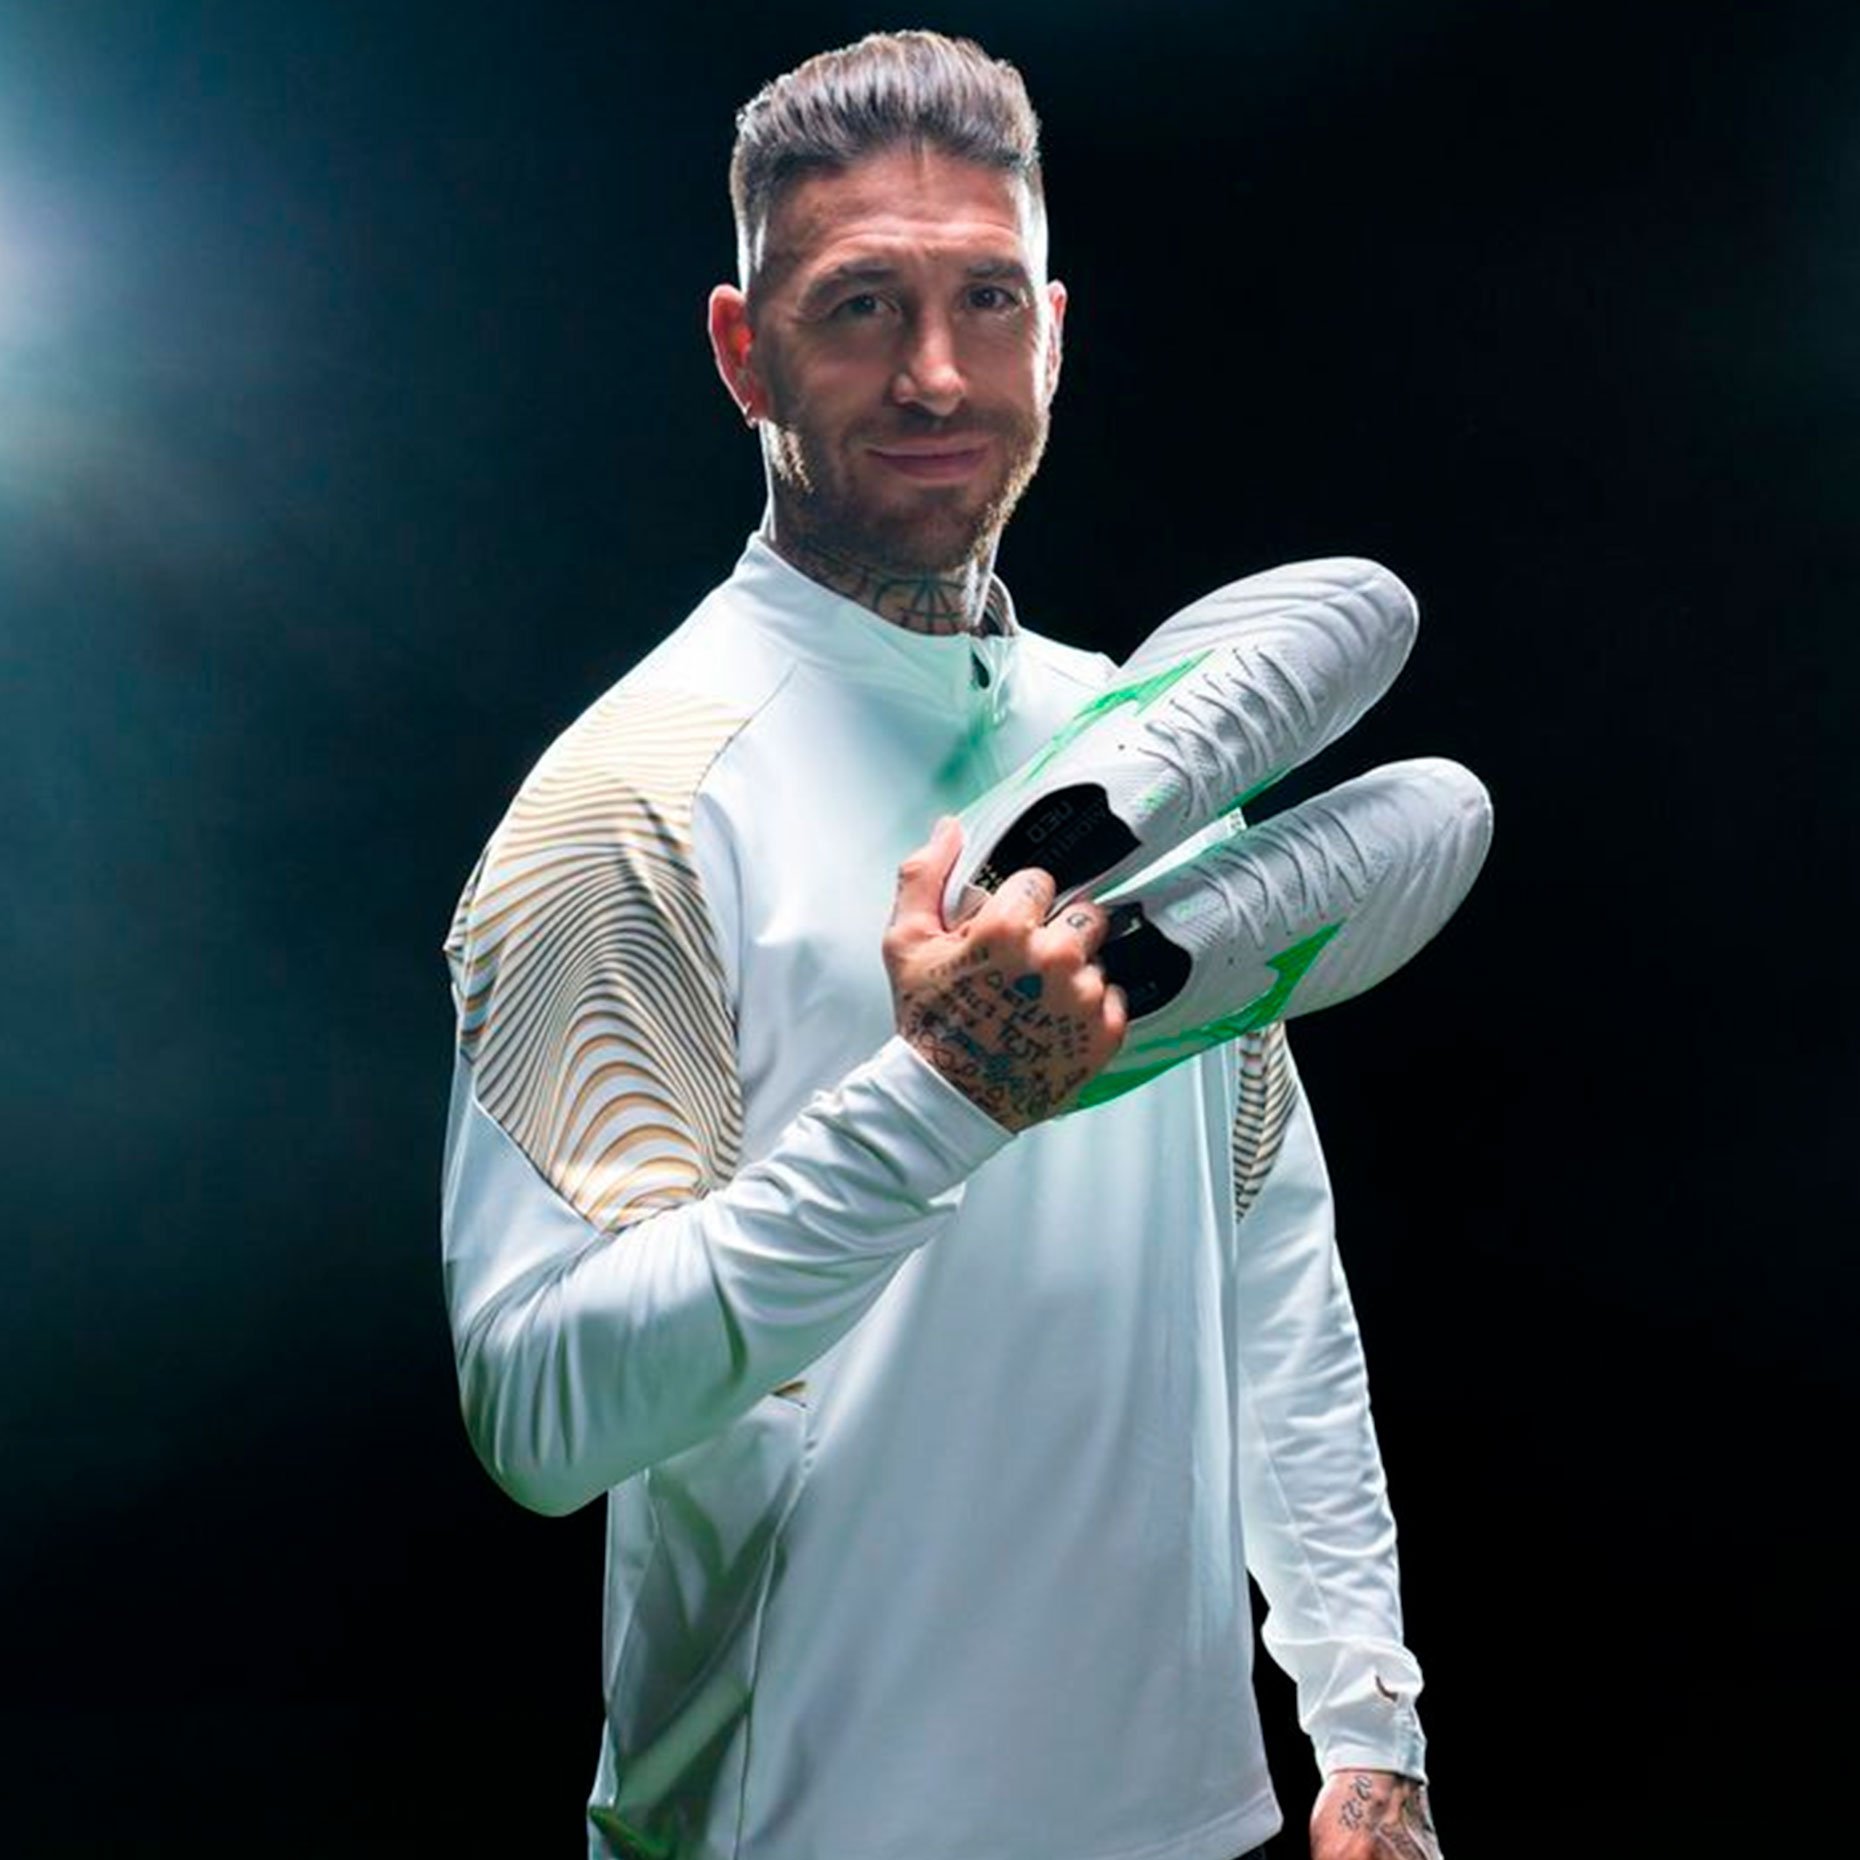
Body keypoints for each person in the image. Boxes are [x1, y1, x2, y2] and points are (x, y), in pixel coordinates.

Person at [441, 30, 1443, 1860]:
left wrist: (1368, 1730)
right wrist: (943, 1098)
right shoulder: (630, 803)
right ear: (744, 353)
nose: (934, 373)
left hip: (1191, 1822)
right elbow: (542, 1407)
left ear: (1051, 333)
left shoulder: (1148, 739)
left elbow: (1270, 1259)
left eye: (985, 300)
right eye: (858, 308)